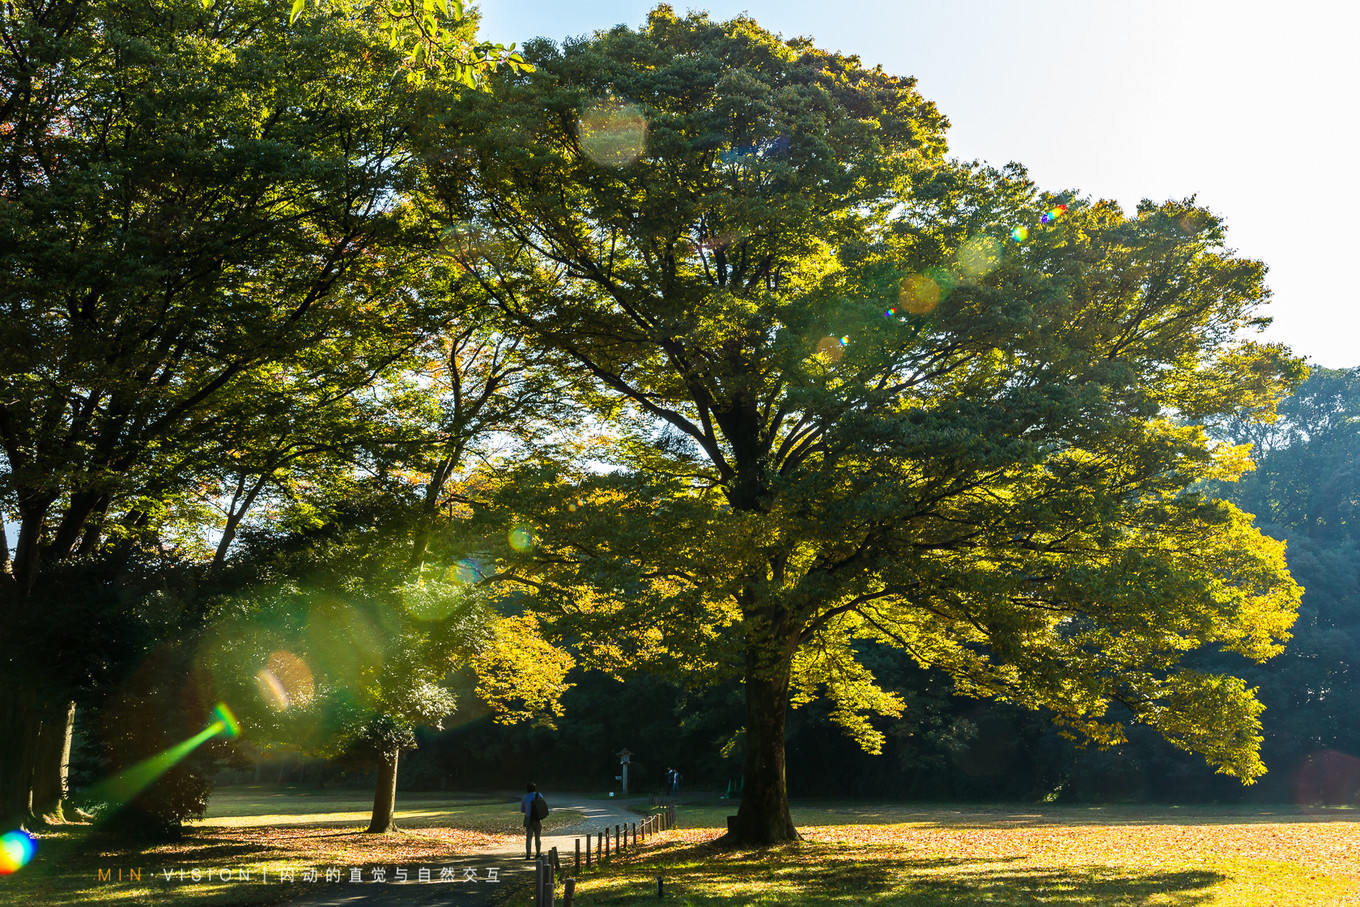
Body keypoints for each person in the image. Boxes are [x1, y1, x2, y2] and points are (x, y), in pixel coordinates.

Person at [521, 783, 548, 859]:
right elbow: (542, 805)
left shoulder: (525, 797)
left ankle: (528, 854)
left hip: (528, 818)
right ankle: (538, 853)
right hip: (537, 818)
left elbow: (522, 810)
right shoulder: (539, 795)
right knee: (537, 837)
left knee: (529, 837)